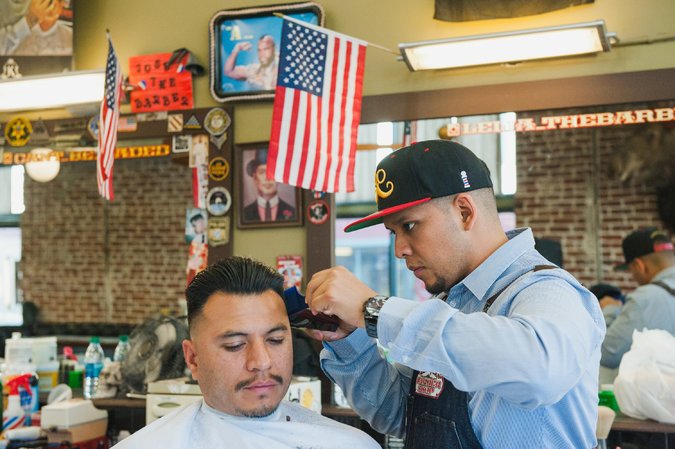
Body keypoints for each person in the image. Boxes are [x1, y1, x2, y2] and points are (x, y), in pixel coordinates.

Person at [304, 140, 605, 449]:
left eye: (410, 225)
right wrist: (349, 339)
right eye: (394, 233)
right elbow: (401, 415)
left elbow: (541, 371)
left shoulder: (548, 291)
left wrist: (375, 310)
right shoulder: (447, 305)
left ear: (464, 212)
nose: (399, 250)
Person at [113, 256, 379, 449]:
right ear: (193, 358)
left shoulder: (351, 444)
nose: (261, 362)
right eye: (235, 345)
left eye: (275, 340)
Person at [601, 227, 675, 369]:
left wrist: (610, 310)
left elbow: (607, 355)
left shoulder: (645, 299)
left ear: (639, 265)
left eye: (631, 270)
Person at [243, 149, 296, 222]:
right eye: (262, 172)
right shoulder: (245, 214)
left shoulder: (293, 212)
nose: (267, 178)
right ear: (255, 178)